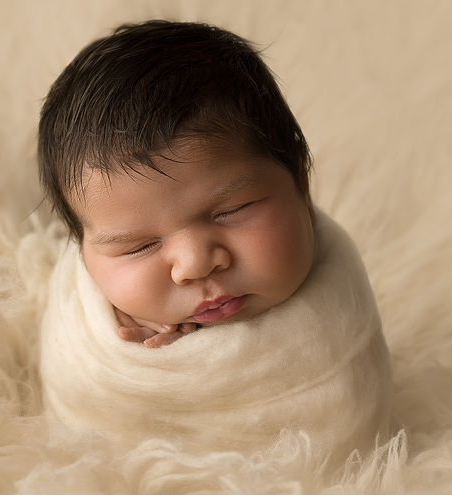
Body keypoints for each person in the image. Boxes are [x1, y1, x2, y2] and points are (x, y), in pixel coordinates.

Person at [38, 20, 316, 348]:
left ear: (299, 176)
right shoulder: (84, 330)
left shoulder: (338, 291)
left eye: (231, 211)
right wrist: (118, 341)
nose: (195, 265)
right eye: (139, 247)